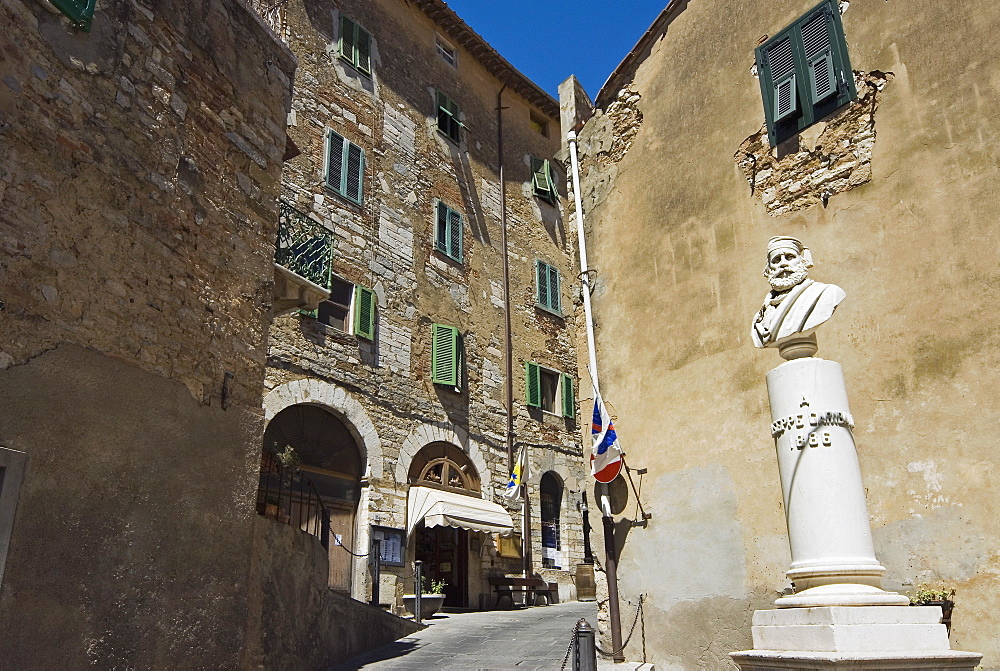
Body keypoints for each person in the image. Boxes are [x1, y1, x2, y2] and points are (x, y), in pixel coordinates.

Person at [751, 236, 845, 349]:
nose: (783, 264)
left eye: (789, 257)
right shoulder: (761, 315)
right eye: (776, 260)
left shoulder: (826, 293)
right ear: (768, 269)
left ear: (803, 261)